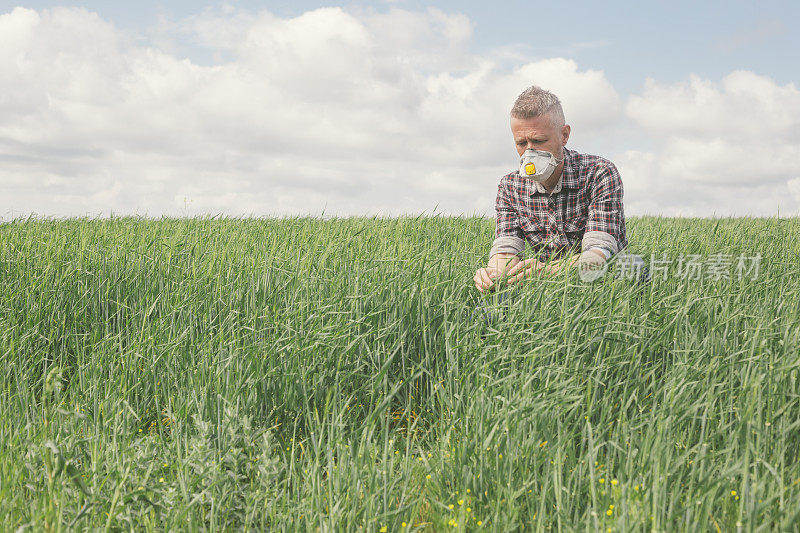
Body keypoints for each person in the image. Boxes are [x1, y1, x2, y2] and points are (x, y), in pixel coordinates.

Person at [471, 85, 647, 323]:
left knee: (633, 266)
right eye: (521, 143)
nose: (529, 152)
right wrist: (494, 273)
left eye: (539, 140)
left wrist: (546, 272)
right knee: (489, 307)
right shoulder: (510, 186)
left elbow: (598, 255)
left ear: (564, 135)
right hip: (544, 283)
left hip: (603, 275)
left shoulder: (599, 173)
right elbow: (506, 250)